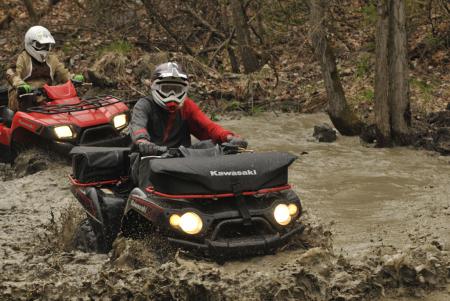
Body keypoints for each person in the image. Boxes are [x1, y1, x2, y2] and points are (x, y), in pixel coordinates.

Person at [130, 61, 247, 155]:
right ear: (155, 87)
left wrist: (229, 137)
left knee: (213, 145)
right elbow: (138, 127)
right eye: (166, 89)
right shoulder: (144, 105)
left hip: (181, 157)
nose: (172, 94)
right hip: (150, 157)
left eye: (176, 90)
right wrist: (143, 141)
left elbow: (209, 127)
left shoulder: (187, 106)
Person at [6, 25, 84, 111]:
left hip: (47, 95)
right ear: (30, 43)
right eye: (40, 45)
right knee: (29, 99)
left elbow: (62, 73)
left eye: (47, 45)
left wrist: (72, 78)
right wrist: (20, 84)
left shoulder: (51, 58)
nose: (44, 48)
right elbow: (11, 73)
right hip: (22, 97)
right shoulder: (22, 58)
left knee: (71, 98)